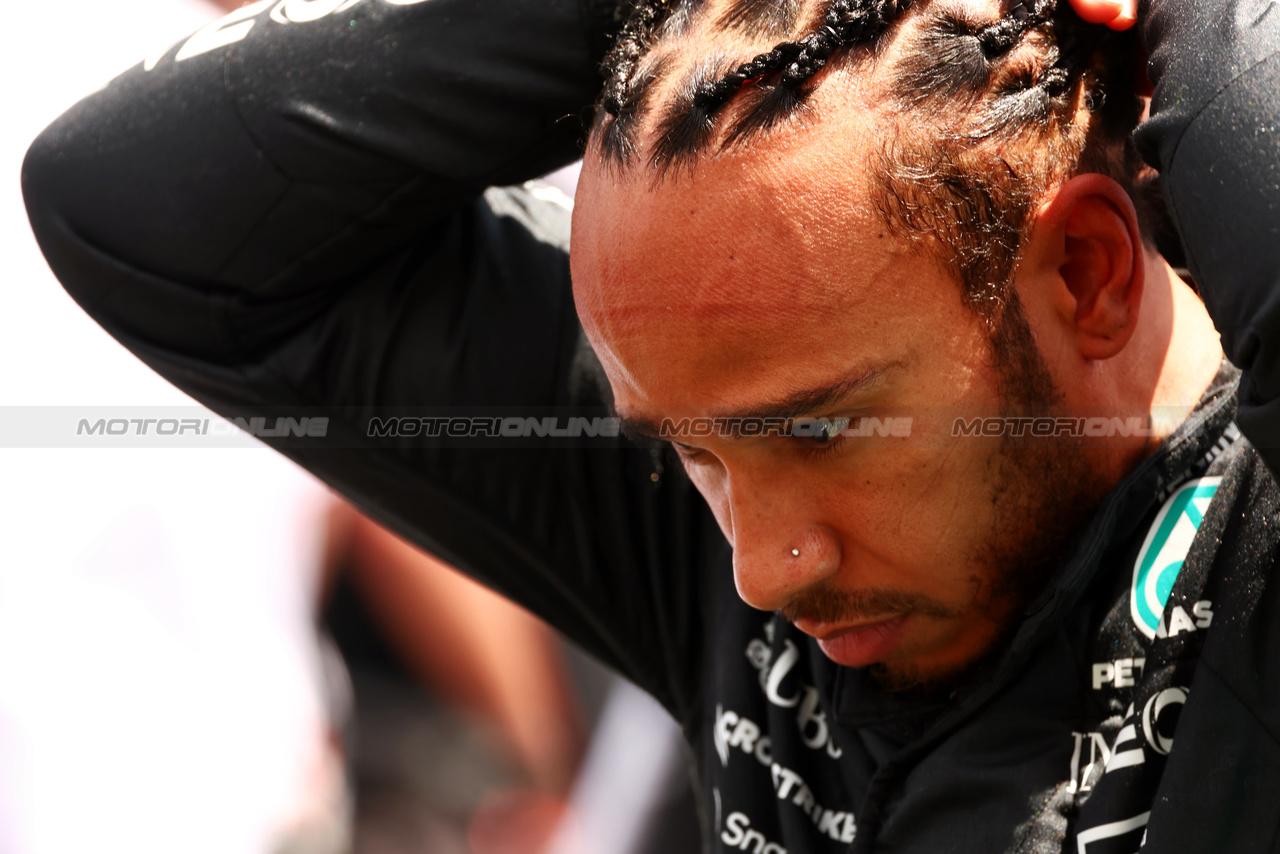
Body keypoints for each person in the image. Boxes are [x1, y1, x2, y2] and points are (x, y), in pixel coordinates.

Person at [19, 0, 1280, 851]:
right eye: (689, 450)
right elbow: (134, 209)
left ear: (1086, 274)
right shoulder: (713, 537)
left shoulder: (1256, 553)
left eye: (823, 431)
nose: (760, 563)